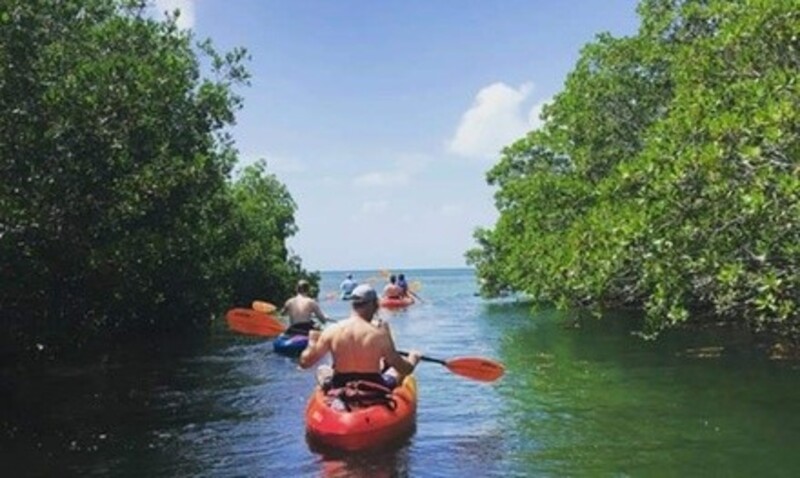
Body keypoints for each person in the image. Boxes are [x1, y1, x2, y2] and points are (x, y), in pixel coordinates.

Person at [299, 284, 421, 389]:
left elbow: (305, 363)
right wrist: (413, 359)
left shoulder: (331, 330)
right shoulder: (380, 333)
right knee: (394, 371)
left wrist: (312, 342)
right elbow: (404, 369)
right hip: (374, 387)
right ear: (374, 305)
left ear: (353, 305)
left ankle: (329, 395)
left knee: (322, 369)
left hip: (340, 385)